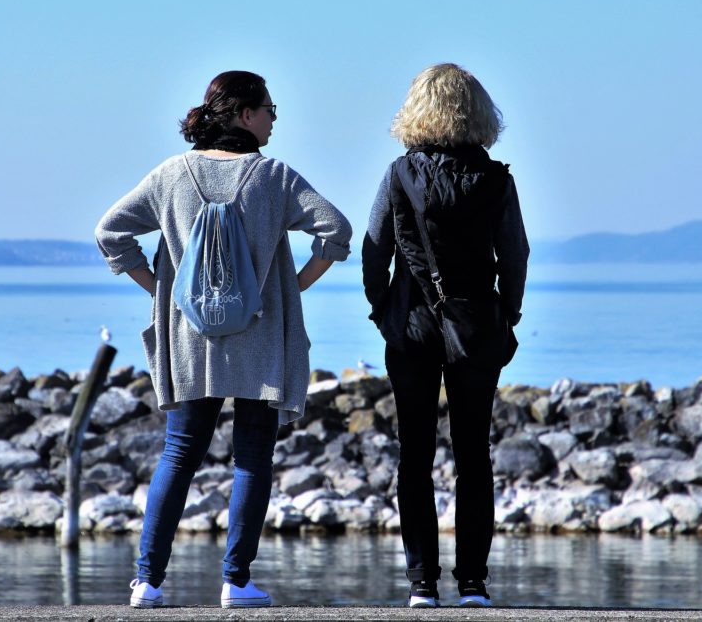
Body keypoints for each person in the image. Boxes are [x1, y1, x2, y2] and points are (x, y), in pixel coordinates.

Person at [95, 71, 351, 609]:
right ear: (243, 114)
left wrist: (162, 289)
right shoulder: (274, 177)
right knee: (252, 459)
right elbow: (336, 229)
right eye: (269, 110)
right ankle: (236, 583)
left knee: (178, 455)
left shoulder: (170, 175)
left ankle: (147, 583)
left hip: (191, 339)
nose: (274, 120)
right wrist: (295, 286)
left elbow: (109, 231)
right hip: (260, 337)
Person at [362, 63, 528, 608]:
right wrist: (509, 314)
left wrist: (383, 310)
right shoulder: (497, 180)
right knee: (473, 454)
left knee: (415, 453)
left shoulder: (400, 174)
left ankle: (422, 584)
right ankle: (473, 584)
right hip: (477, 324)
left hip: (410, 325)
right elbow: (515, 255)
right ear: (478, 112)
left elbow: (374, 250)